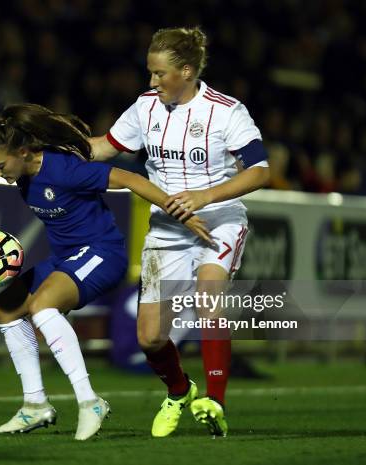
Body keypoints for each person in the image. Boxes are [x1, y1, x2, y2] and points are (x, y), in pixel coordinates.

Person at [0, 103, 209, 441]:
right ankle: (35, 405)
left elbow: (128, 177)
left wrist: (179, 211)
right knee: (6, 309)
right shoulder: (24, 174)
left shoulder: (65, 170)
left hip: (103, 253)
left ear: (24, 152)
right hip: (66, 258)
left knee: (43, 307)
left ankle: (90, 403)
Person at [89, 26, 271, 438]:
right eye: (150, 73)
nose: (152, 82)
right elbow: (103, 148)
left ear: (186, 71)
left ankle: (216, 402)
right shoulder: (145, 107)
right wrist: (55, 146)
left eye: (159, 74)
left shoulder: (227, 111)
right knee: (151, 337)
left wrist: (206, 196)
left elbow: (261, 171)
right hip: (166, 230)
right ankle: (179, 390)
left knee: (210, 301)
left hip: (220, 221)